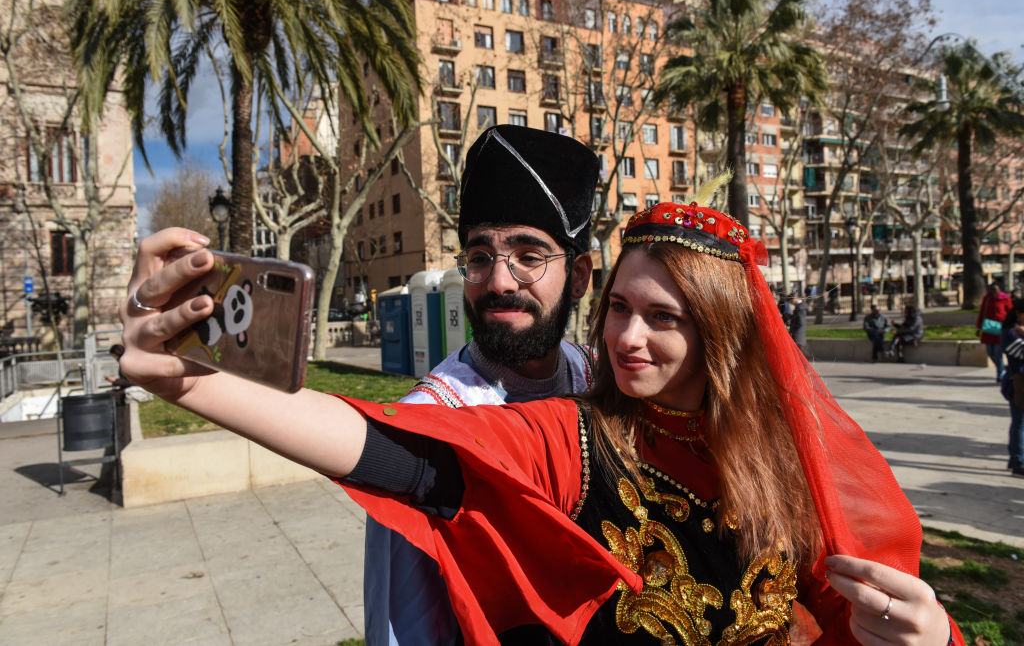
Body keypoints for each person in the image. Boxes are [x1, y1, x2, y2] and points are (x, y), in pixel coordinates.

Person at [119, 197, 964, 644]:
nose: (627, 338)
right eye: (620, 308)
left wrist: (932, 637)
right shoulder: (576, 435)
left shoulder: (790, 462)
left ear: (724, 334)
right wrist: (191, 383)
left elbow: (857, 607)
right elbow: (400, 453)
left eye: (664, 318)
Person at [366, 125, 599, 646]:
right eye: (479, 257)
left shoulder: (602, 381)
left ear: (580, 276)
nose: (498, 282)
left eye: (529, 256)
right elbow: (405, 627)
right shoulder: (424, 426)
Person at [1000, 300, 1024, 477]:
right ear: (1018, 313)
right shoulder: (1011, 332)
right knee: (1020, 423)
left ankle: (1014, 457)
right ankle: (1018, 462)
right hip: (1018, 383)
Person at [978, 281, 1013, 382]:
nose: (992, 291)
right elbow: (982, 312)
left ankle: (1000, 374)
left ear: (999, 289)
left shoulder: (1005, 298)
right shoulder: (987, 298)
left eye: (994, 289)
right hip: (989, 328)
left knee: (998, 353)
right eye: (991, 289)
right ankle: (1002, 368)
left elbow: (1011, 313)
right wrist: (979, 327)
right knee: (990, 353)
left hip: (1000, 328)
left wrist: (1009, 325)